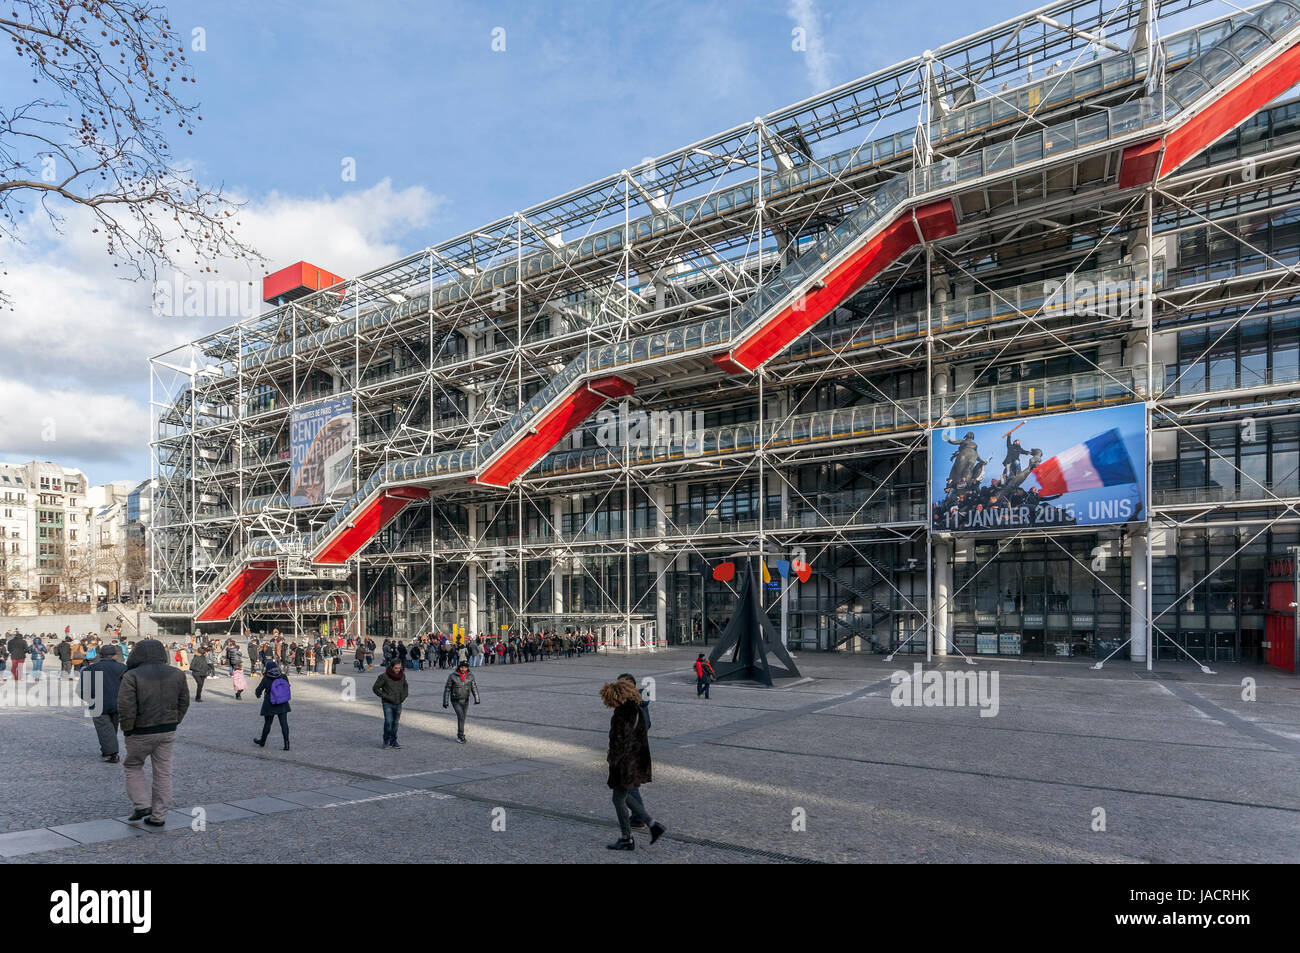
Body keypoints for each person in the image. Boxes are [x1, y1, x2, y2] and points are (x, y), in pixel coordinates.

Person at [118, 639, 191, 826]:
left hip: (140, 730)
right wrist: (175, 721)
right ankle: (159, 816)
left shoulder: (132, 675)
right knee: (163, 772)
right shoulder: (177, 674)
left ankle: (142, 804)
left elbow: (126, 706)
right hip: (167, 729)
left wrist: (127, 729)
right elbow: (184, 702)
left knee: (133, 765)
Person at [600, 677, 665, 850]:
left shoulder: (622, 714)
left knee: (618, 799)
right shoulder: (636, 710)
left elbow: (620, 742)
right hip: (637, 761)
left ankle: (626, 838)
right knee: (626, 796)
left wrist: (613, 761)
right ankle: (653, 825)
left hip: (625, 764)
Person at [80, 644, 126, 763]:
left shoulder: (90, 669)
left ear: (100, 655)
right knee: (112, 727)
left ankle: (112, 753)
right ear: (115, 655)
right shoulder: (123, 668)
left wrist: (90, 699)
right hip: (119, 702)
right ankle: (107, 749)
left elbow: (82, 689)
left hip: (98, 702)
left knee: (104, 728)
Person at [253, 658, 291, 751]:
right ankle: (286, 744)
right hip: (282, 702)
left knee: (268, 724)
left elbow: (258, 690)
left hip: (270, 702)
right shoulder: (283, 676)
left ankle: (262, 741)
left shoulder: (267, 678)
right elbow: (287, 686)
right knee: (284, 724)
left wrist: (258, 695)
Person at [373, 660, 410, 749]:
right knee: (388, 722)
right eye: (396, 668)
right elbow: (375, 688)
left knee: (395, 723)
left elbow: (405, 686)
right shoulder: (384, 676)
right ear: (391, 667)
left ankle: (393, 741)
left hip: (398, 702)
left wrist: (404, 696)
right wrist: (385, 696)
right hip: (387, 703)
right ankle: (386, 741)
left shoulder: (402, 675)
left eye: (399, 667)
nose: (398, 669)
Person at [442, 660, 479, 744]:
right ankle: (461, 736)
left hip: (466, 700)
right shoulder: (452, 676)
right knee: (461, 717)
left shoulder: (470, 676)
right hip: (455, 700)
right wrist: (445, 701)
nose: (463, 669)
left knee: (463, 718)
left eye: (465, 667)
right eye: (462, 667)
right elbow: (447, 689)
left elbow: (474, 687)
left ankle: (460, 734)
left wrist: (477, 698)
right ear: (459, 667)